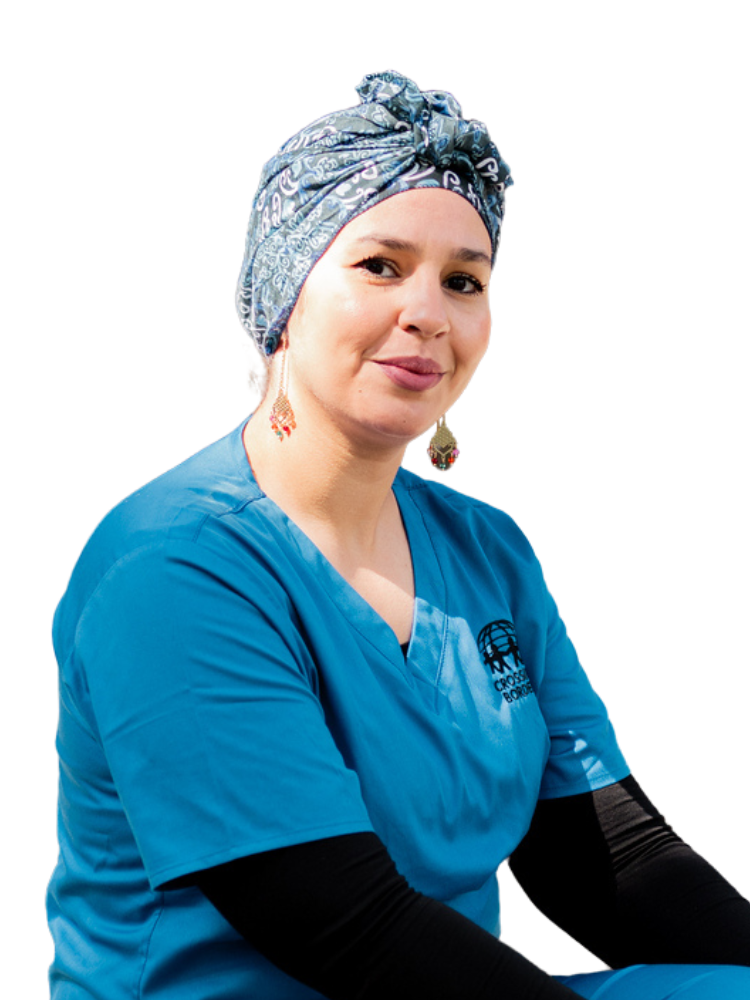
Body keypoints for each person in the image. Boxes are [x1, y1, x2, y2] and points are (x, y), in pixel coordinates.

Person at [46, 70, 749, 999]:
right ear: (283, 297)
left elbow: (605, 853)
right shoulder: (174, 566)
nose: (428, 313)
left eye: (465, 281)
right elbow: (343, 927)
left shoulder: (487, 549)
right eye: (380, 266)